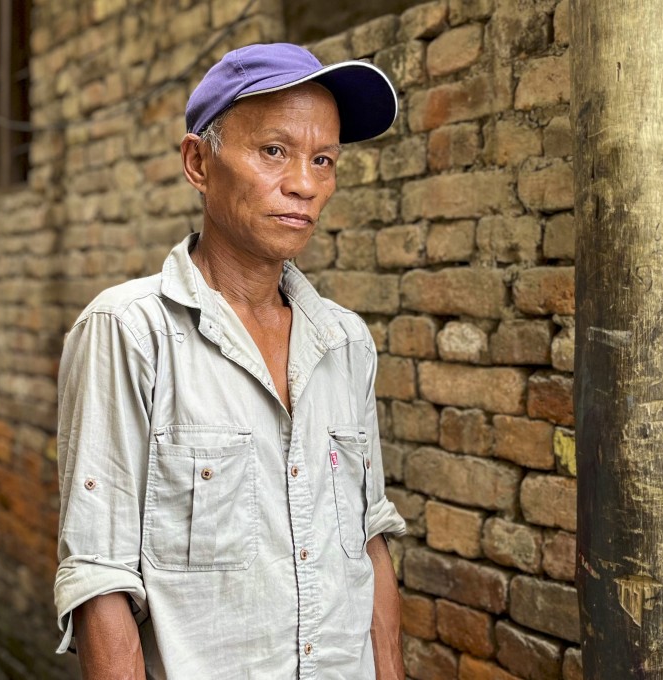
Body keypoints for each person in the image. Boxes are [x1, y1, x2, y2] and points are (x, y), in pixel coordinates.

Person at [54, 43, 407, 679]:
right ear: (199, 162)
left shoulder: (346, 342)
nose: (304, 182)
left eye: (323, 160)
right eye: (274, 151)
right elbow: (99, 579)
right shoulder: (131, 332)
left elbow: (369, 543)